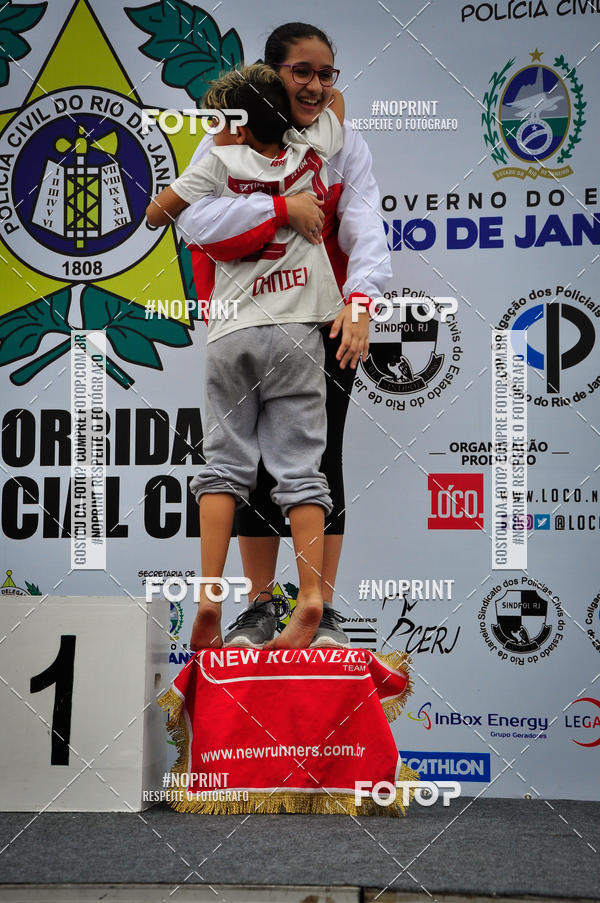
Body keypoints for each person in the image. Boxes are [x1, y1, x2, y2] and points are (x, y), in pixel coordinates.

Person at [175, 23, 391, 648]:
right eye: (302, 72)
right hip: (247, 318)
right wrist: (274, 208)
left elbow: (364, 224)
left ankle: (318, 606)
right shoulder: (228, 136)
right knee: (247, 465)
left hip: (325, 321)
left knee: (320, 461)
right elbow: (194, 220)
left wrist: (361, 302)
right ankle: (259, 606)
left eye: (326, 74)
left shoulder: (344, 143)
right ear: (273, 74)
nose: (316, 86)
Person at [147, 64, 352, 650]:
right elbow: (334, 101)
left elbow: (157, 213)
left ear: (234, 126)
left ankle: (210, 596)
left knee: (223, 468)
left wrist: (222, 162)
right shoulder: (308, 154)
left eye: (219, 120)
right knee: (303, 471)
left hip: (232, 333)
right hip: (297, 333)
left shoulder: (218, 161)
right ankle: (310, 598)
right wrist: (294, 103)